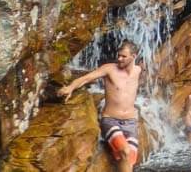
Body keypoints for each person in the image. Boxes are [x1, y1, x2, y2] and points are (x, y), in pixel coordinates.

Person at [57, 39, 142, 172]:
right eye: (118, 55)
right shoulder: (109, 69)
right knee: (125, 151)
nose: (119, 59)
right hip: (111, 121)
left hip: (131, 123)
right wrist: (70, 87)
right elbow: (86, 78)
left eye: (123, 56)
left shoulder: (138, 71)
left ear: (134, 56)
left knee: (129, 159)